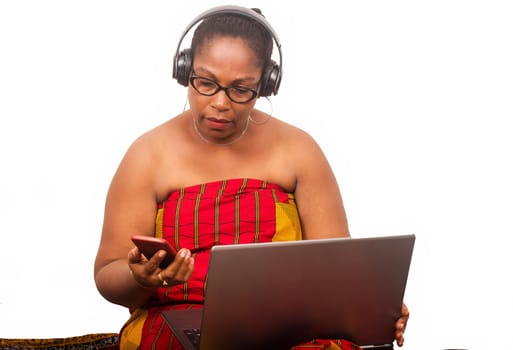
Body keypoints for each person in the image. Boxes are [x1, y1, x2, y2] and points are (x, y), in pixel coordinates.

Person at [94, 5, 410, 349]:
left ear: (266, 85)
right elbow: (107, 275)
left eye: (241, 89)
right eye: (205, 82)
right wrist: (139, 277)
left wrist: (373, 307)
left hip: (290, 326)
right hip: (176, 322)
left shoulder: (300, 151)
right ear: (184, 71)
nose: (219, 102)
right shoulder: (147, 155)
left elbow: (336, 273)